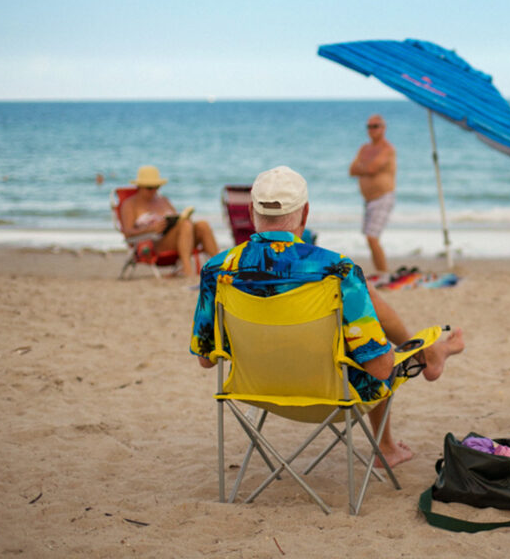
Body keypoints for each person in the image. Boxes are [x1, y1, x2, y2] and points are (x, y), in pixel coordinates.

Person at [190, 165, 464, 467]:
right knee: (371, 347)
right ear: (305, 214)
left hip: (254, 391)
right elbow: (381, 369)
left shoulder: (217, 269)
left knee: (361, 321)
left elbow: (206, 359)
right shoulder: (338, 270)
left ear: (253, 213)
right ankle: (425, 357)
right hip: (333, 397)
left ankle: (429, 353)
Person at [119, 165, 219, 277]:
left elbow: (178, 221)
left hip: (179, 239)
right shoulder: (130, 204)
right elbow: (127, 233)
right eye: (149, 187)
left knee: (202, 225)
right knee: (185, 225)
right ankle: (187, 270)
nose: (154, 191)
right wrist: (151, 229)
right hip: (154, 244)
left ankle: (221, 267)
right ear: (139, 186)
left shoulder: (163, 200)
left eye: (156, 187)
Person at [349, 114, 396, 273]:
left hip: (383, 197)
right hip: (368, 200)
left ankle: (384, 273)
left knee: (372, 237)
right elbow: (352, 169)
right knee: (370, 238)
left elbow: (371, 168)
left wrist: (364, 167)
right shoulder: (365, 148)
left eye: (375, 126)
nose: (372, 129)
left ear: (383, 128)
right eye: (369, 126)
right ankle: (380, 271)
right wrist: (365, 168)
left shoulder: (387, 149)